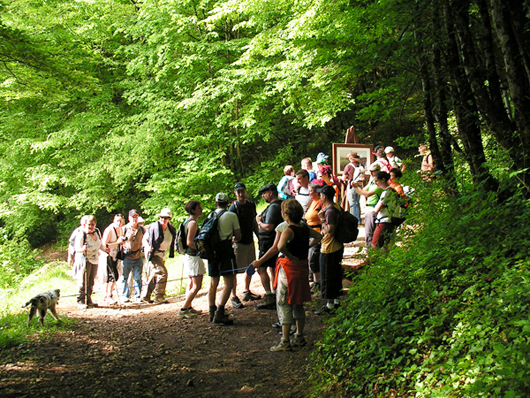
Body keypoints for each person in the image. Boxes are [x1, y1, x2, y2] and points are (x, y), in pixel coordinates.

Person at [270, 200, 322, 352]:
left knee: (285, 302)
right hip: (302, 268)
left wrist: (289, 255)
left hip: (289, 269)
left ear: (286, 214)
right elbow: (318, 236)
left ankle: (285, 340)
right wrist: (307, 246)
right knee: (298, 302)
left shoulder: (289, 229)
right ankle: (299, 335)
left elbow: (279, 246)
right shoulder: (304, 228)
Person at [208, 192, 242, 325]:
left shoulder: (211, 215)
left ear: (216, 203)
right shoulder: (231, 215)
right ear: (228, 203)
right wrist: (233, 238)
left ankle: (211, 311)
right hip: (225, 250)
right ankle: (220, 312)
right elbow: (238, 235)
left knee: (213, 283)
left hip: (212, 251)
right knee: (229, 282)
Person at [228, 182, 260, 308]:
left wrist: (258, 236)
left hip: (249, 240)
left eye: (242, 191)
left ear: (246, 191)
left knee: (250, 266)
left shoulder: (251, 204)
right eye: (238, 192)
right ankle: (233, 296)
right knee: (235, 270)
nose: (241, 194)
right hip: (238, 243)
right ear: (235, 193)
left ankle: (246, 291)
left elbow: (253, 221)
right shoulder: (233, 208)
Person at [316, 185, 344, 315]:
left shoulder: (330, 211)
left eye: (321, 195)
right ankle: (336, 301)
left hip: (329, 248)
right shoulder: (337, 207)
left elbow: (330, 230)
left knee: (327, 276)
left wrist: (322, 219)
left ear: (324, 196)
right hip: (337, 246)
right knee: (335, 274)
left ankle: (330, 305)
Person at [256, 183, 284, 309]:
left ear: (270, 193)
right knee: (273, 268)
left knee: (261, 268)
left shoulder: (274, 207)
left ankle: (269, 295)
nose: (263, 196)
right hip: (271, 241)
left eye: (264, 194)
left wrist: (259, 222)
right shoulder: (279, 205)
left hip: (269, 242)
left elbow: (269, 227)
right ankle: (275, 292)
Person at [142, 208, 176, 304]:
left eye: (165, 217)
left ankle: (146, 296)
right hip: (153, 254)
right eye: (161, 217)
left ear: (169, 218)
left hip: (163, 253)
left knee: (154, 275)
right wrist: (148, 247)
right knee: (162, 273)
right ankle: (159, 296)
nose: (163, 219)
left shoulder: (171, 229)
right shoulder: (153, 227)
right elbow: (144, 240)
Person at [178, 200, 206, 318]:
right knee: (196, 285)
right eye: (199, 208)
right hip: (193, 256)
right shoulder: (193, 223)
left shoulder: (187, 222)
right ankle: (183, 309)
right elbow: (189, 242)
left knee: (191, 283)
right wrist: (201, 250)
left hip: (189, 257)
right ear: (193, 210)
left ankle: (189, 307)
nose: (201, 209)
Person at [352, 163, 384, 247]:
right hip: (369, 209)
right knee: (369, 234)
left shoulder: (379, 184)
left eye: (373, 172)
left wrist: (356, 187)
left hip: (373, 210)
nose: (371, 174)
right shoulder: (372, 182)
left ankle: (371, 253)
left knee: (371, 234)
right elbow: (363, 191)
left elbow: (367, 193)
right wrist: (356, 187)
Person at [74, 215, 101, 308]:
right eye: (89, 224)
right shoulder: (82, 233)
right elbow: (77, 248)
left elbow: (100, 244)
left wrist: (106, 249)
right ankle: (80, 300)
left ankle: (88, 299)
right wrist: (82, 249)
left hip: (94, 258)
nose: (91, 226)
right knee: (83, 280)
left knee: (91, 280)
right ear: (85, 224)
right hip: (84, 258)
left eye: (92, 224)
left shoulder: (97, 232)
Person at [121, 209, 146, 303]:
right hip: (126, 257)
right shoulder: (124, 229)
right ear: (129, 218)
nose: (134, 219)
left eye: (136, 217)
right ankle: (125, 296)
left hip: (138, 256)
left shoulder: (142, 229)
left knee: (138, 277)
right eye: (133, 217)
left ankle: (138, 296)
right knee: (125, 277)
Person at [100, 214, 124, 305]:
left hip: (116, 255)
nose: (119, 223)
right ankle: (107, 295)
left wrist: (121, 243)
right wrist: (117, 242)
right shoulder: (110, 230)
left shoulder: (121, 230)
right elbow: (103, 245)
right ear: (114, 220)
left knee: (116, 275)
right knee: (111, 275)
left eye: (121, 221)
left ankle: (109, 294)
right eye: (117, 220)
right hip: (108, 255)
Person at [372, 172, 401, 249]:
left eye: (376, 181)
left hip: (384, 221)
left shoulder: (386, 193)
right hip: (392, 221)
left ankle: (373, 260)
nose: (375, 183)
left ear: (383, 180)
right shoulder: (393, 191)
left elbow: (377, 209)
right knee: (387, 246)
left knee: (375, 245)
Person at [305, 183, 323, 291]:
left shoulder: (321, 203)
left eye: (311, 191)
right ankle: (316, 281)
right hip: (310, 233)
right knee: (311, 258)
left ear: (317, 192)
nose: (309, 193)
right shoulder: (313, 202)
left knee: (314, 258)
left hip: (317, 233)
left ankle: (318, 282)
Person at [341, 151, 365, 224]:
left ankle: (354, 220)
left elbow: (344, 178)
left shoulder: (349, 166)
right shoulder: (360, 166)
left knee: (352, 204)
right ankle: (359, 219)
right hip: (359, 186)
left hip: (352, 186)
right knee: (357, 202)